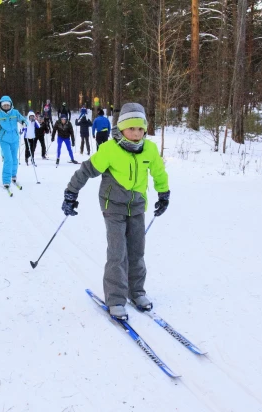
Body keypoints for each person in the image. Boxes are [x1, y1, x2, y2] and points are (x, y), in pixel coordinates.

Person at [60, 102, 170, 320]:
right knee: (117, 252)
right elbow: (86, 171)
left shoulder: (149, 149)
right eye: (131, 128)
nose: (136, 133)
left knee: (137, 252)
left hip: (137, 206)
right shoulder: (110, 149)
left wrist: (163, 194)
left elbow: (158, 171)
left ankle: (136, 291)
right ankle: (116, 298)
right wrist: (71, 193)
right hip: (113, 207)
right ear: (121, 129)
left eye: (140, 128)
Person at [0, 96, 28, 188]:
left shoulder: (15, 112)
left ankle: (13, 175)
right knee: (8, 159)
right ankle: (6, 180)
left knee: (14, 159)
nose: (6, 106)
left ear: (11, 105)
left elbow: (23, 119)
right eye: (4, 105)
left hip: (14, 139)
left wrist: (24, 123)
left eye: (7, 105)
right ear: (1, 106)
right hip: (4, 140)